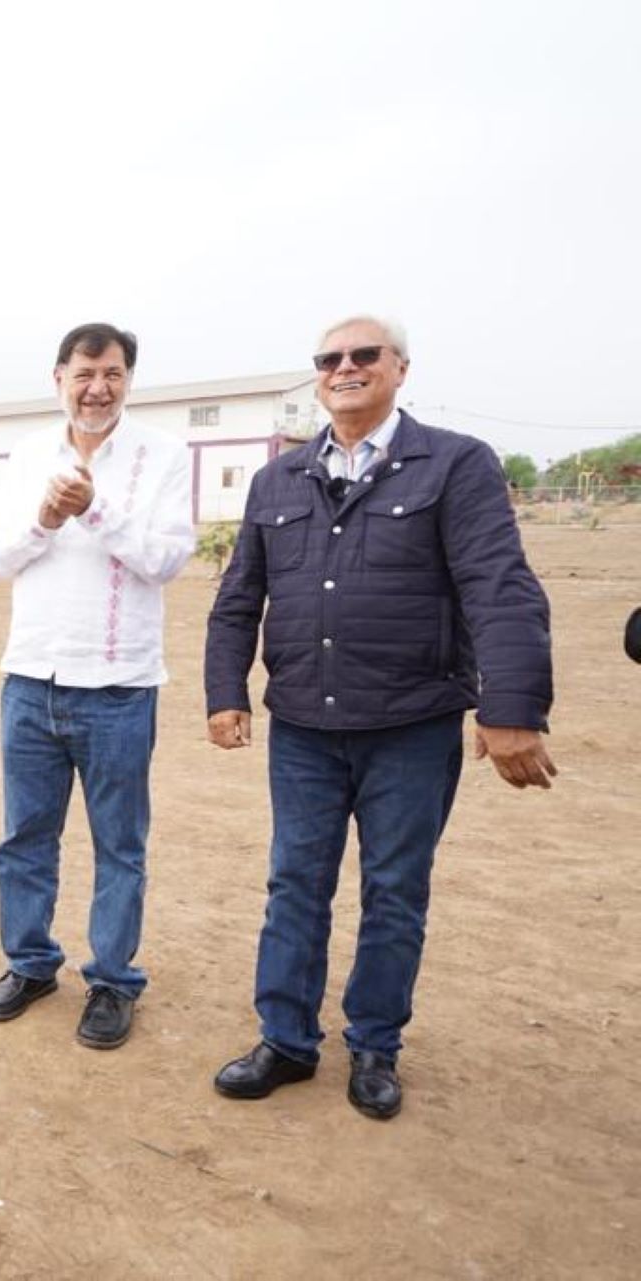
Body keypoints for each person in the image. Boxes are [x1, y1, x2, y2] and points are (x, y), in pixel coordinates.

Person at [205, 315, 555, 1120]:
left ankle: (374, 1045)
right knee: (295, 883)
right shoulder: (279, 480)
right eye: (330, 359)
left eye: (366, 355)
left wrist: (512, 706)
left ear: (400, 368)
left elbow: (499, 584)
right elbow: (236, 602)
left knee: (395, 889)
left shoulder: (455, 465)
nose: (346, 367)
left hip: (412, 725)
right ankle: (286, 1040)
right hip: (302, 729)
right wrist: (225, 692)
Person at [0, 323, 195, 1048]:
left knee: (119, 844)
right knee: (24, 837)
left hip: (120, 685)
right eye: (84, 373)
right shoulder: (28, 454)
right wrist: (45, 515)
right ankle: (32, 962)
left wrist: (94, 507)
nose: (97, 386)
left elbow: (165, 559)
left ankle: (111, 981)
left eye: (112, 372)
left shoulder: (162, 455)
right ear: (59, 378)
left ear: (129, 378)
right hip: (32, 676)